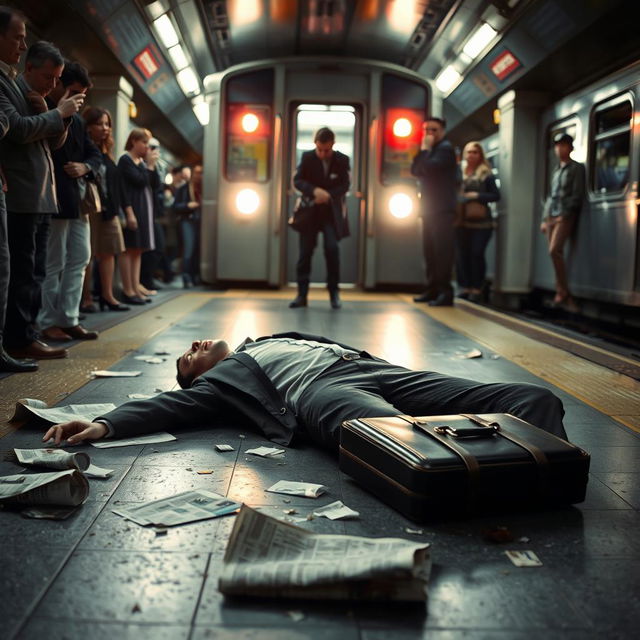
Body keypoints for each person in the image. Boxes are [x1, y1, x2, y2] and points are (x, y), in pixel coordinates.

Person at [44, 332, 568, 450]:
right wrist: (104, 423)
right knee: (387, 436)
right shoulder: (224, 384)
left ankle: (542, 468)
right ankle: (488, 479)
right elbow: (168, 405)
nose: (196, 344)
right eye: (189, 356)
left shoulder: (264, 339)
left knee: (534, 400)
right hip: (319, 391)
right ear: (199, 376)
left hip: (370, 369)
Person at [0, 31, 84, 362]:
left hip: (41, 196)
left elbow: (54, 145)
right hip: (21, 194)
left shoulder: (39, 97)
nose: (52, 84)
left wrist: (59, 117)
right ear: (30, 68)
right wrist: (57, 113)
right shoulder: (14, 90)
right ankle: (19, 337)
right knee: (21, 272)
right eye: (48, 76)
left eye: (57, 79)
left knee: (35, 271)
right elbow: (19, 130)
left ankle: (28, 333)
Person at [36, 59, 102, 342]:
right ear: (59, 85)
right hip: (54, 198)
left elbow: (94, 155)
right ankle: (48, 321)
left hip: (76, 201)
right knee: (54, 263)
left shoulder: (76, 120)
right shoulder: (46, 110)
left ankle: (69, 318)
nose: (78, 99)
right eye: (74, 91)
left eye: (82, 95)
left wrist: (84, 167)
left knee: (79, 259)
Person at [290, 127, 350, 310]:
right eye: (320, 149)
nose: (323, 154)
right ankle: (302, 295)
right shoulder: (307, 157)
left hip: (331, 214)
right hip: (310, 213)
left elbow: (345, 185)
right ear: (315, 145)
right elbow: (297, 181)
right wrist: (315, 191)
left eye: (327, 150)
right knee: (305, 253)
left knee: (332, 250)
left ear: (333, 145)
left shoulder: (342, 160)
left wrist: (328, 195)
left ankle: (334, 293)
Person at [81, 106, 129, 312]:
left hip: (109, 209)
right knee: (87, 255)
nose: (105, 128)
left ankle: (108, 296)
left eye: (107, 124)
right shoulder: (83, 148)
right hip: (90, 207)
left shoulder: (106, 152)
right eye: (100, 124)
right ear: (88, 127)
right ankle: (86, 298)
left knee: (110, 252)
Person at [411, 117, 459, 307]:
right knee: (430, 252)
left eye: (433, 130)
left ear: (442, 132)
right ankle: (432, 289)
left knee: (442, 253)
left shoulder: (445, 150)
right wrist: (424, 151)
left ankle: (445, 292)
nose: (429, 134)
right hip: (430, 210)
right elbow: (415, 169)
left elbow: (428, 168)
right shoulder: (431, 151)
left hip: (442, 210)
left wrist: (424, 150)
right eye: (426, 130)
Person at [540, 133, 585, 312]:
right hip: (552, 216)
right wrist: (545, 218)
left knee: (554, 250)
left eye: (563, 145)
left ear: (570, 148)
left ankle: (563, 292)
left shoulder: (576, 168)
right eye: (557, 145)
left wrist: (564, 215)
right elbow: (552, 196)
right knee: (553, 253)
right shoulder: (556, 170)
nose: (559, 148)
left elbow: (577, 194)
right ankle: (562, 292)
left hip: (565, 216)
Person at [455, 141, 500, 302]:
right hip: (461, 221)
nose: (471, 155)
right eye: (469, 152)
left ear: (480, 155)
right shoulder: (458, 172)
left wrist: (477, 196)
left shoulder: (486, 174)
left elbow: (496, 195)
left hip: (482, 223)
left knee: (476, 253)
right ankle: (464, 286)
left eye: (475, 152)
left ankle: (477, 287)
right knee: (462, 255)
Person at [117, 128, 158, 305]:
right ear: (133, 141)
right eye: (144, 143)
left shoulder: (140, 162)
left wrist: (151, 167)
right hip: (133, 207)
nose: (147, 148)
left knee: (138, 249)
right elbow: (134, 184)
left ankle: (135, 286)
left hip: (143, 208)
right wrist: (129, 213)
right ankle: (128, 289)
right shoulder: (125, 160)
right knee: (129, 248)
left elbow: (155, 184)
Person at [173, 163, 202, 288]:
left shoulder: (207, 188)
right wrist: (187, 206)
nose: (199, 175)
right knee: (189, 249)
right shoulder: (184, 189)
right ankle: (186, 277)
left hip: (202, 222)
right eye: (196, 172)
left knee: (198, 250)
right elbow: (175, 206)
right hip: (188, 221)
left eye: (201, 173)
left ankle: (196, 276)